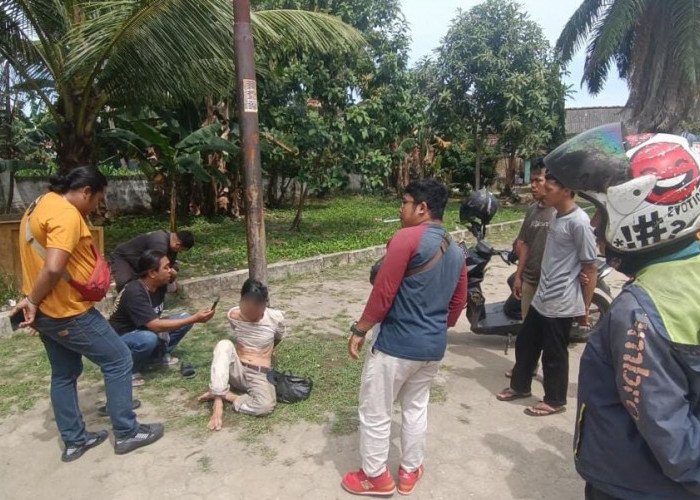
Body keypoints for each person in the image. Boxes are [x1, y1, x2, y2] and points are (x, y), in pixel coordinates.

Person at [546, 123, 700, 498]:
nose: (596, 224)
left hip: (633, 484)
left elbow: (675, 442)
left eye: (602, 212)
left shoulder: (639, 312)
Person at [11, 167, 163, 462]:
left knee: (64, 374)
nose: (96, 207)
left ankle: (74, 441)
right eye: (97, 199)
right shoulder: (66, 214)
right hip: (67, 312)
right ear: (85, 191)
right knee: (119, 359)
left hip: (45, 311)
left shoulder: (38, 205)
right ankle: (127, 432)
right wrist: (32, 298)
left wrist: (33, 300)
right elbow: (54, 267)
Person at [342, 179, 467, 497]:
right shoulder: (455, 249)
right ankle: (410, 470)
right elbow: (457, 303)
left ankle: (375, 477)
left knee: (376, 410)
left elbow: (383, 294)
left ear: (422, 208)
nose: (400, 209)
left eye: (405, 202)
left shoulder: (406, 238)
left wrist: (360, 329)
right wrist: (435, 326)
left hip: (395, 347)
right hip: (432, 348)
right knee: (415, 408)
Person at [497, 166, 597, 416]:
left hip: (561, 301)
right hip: (543, 294)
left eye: (549, 188)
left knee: (554, 354)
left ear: (566, 190)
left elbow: (590, 267)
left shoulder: (579, 222)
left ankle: (554, 400)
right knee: (526, 344)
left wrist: (584, 307)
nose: (544, 191)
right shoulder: (555, 215)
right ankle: (520, 386)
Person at [109, 249, 214, 385]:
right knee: (148, 338)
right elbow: (155, 326)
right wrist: (195, 318)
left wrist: (173, 277)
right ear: (152, 273)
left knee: (184, 317)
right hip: (122, 338)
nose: (170, 270)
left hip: (144, 329)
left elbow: (176, 290)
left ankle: (155, 358)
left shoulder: (160, 284)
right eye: (166, 267)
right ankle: (127, 371)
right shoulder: (134, 292)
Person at [198, 278, 285, 430]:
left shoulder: (275, 319)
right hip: (236, 369)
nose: (251, 315)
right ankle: (217, 404)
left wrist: (265, 354)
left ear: (264, 305)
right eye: (247, 309)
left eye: (256, 311)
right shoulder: (233, 315)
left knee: (265, 406)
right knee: (224, 345)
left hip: (259, 374)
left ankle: (227, 396)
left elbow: (278, 338)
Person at [505, 159, 555, 378]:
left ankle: (551, 374)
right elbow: (523, 245)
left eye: (538, 180)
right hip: (531, 279)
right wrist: (519, 276)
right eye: (531, 180)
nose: (533, 185)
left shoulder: (559, 212)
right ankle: (527, 367)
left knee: (549, 331)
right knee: (528, 328)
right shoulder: (532, 210)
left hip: (552, 283)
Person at [109, 228, 194, 291]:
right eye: (182, 250)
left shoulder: (172, 245)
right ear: (178, 245)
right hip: (124, 259)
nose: (181, 252)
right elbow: (157, 269)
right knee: (126, 287)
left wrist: (172, 275)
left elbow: (169, 265)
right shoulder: (159, 242)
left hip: (141, 262)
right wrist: (171, 277)